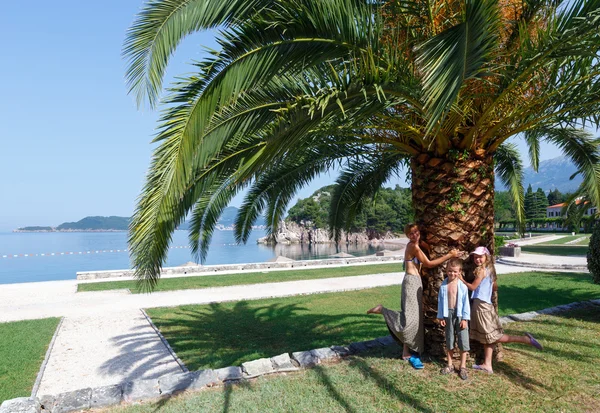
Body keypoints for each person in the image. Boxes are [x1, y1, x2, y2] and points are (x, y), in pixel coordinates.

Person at [367, 223, 460, 369]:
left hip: (416, 283)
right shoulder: (413, 247)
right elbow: (428, 264)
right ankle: (383, 310)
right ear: (407, 236)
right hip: (411, 283)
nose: (415, 235)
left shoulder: (418, 245)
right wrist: (450, 255)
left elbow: (427, 251)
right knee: (410, 320)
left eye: (416, 231)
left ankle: (406, 351)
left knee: (413, 318)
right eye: (411, 233)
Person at [459, 246, 543, 374]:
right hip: (486, 305)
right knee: (488, 337)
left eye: (480, 257)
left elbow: (472, 287)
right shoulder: (490, 270)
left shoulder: (481, 271)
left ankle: (525, 340)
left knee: (492, 336)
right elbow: (495, 287)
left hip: (481, 306)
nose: (477, 259)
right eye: (475, 257)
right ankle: (487, 365)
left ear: (486, 257)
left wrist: (461, 279)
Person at [437, 258, 470, 380]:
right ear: (446, 270)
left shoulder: (462, 286)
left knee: (463, 339)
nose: (452, 273)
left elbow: (466, 303)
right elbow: (440, 302)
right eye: (450, 271)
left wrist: (465, 319)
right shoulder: (444, 285)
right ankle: (450, 365)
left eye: (455, 271)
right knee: (449, 338)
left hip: (460, 315)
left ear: (460, 271)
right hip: (448, 314)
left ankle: (463, 367)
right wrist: (441, 316)